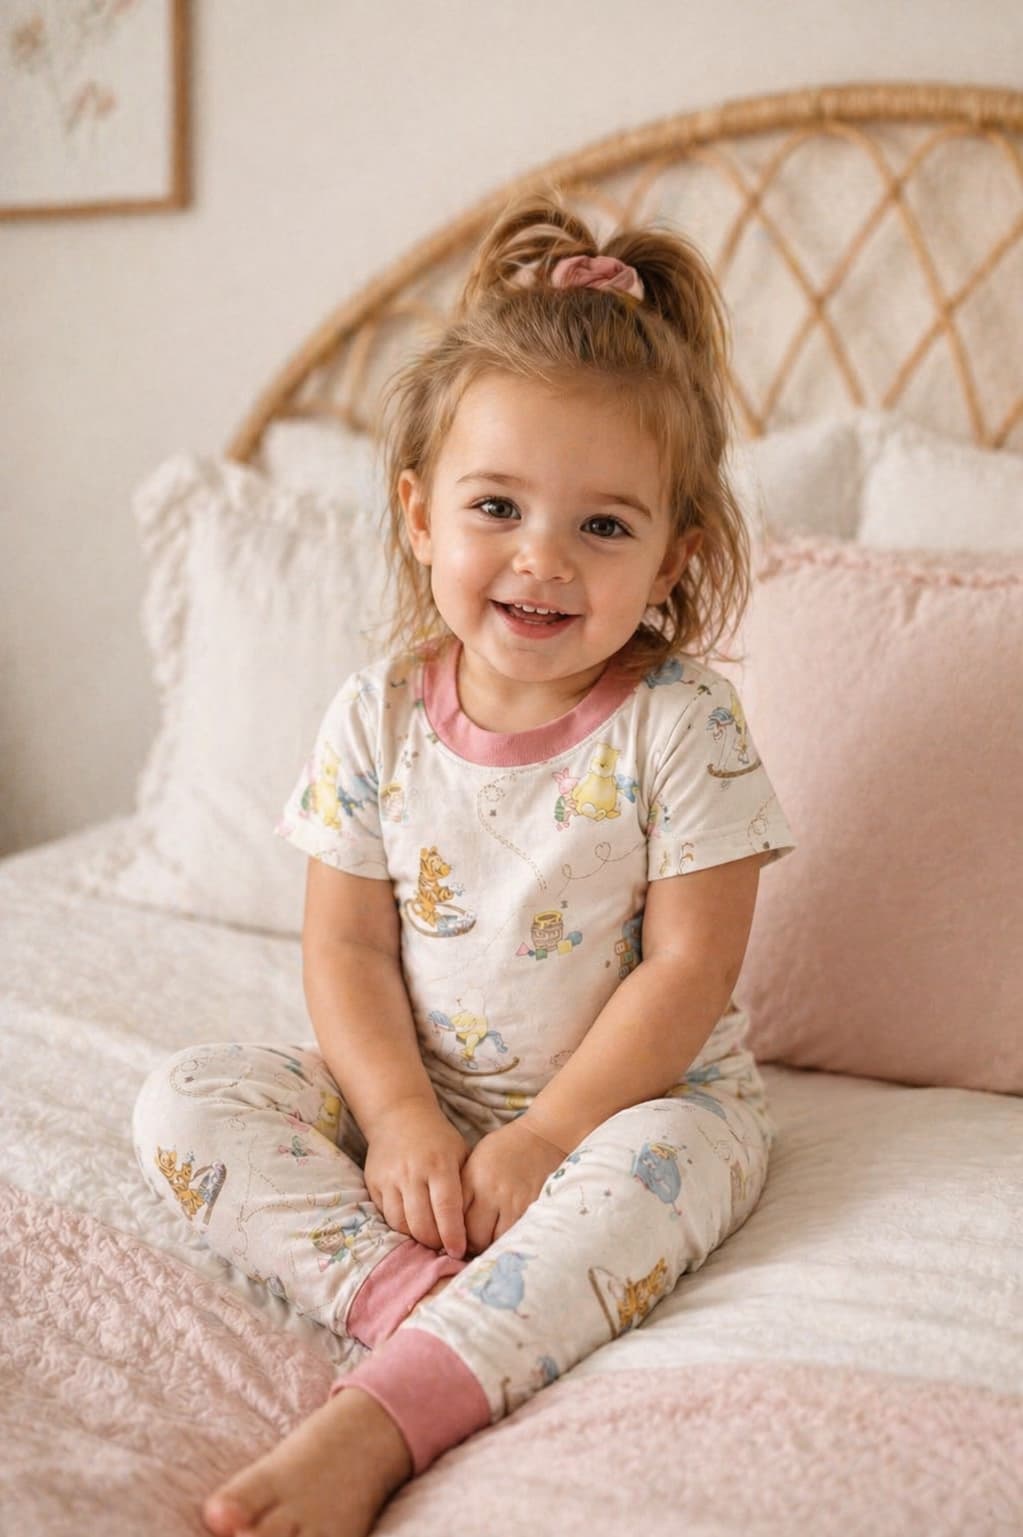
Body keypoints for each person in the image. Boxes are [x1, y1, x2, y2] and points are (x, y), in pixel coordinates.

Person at [132, 184, 797, 1537]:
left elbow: (691, 966)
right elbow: (346, 946)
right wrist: (396, 1120)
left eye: (605, 525)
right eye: (498, 505)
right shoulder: (374, 716)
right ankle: (416, 1308)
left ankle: (383, 1419)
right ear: (420, 512)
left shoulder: (686, 725)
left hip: (629, 1101)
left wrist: (554, 1134)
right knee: (184, 1104)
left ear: (676, 555)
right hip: (425, 1097)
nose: (542, 558)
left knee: (667, 1172)